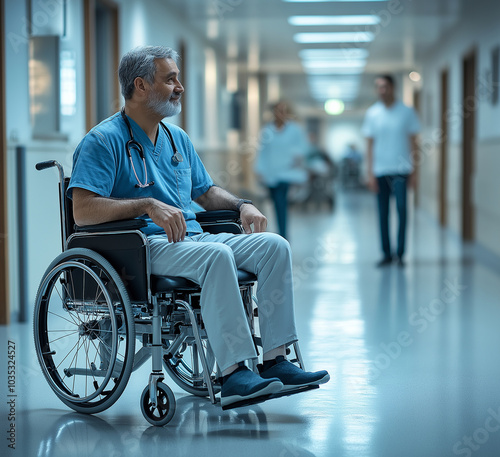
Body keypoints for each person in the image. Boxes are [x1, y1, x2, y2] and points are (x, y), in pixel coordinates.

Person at [67, 46, 329, 410]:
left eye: (178, 78)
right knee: (216, 255)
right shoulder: (102, 141)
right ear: (141, 86)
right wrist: (146, 205)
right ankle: (234, 373)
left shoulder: (177, 139)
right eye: (170, 79)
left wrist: (241, 205)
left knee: (274, 246)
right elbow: (82, 210)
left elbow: (205, 192)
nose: (180, 86)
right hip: (144, 245)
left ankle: (276, 360)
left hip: (193, 238)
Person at [362, 75, 420, 267]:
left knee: (402, 210)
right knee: (382, 213)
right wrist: (369, 173)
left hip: (401, 170)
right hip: (380, 171)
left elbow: (414, 142)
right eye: (378, 87)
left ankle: (401, 253)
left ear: (393, 87)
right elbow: (369, 146)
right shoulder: (372, 113)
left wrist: (415, 172)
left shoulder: (406, 112)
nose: (381, 90)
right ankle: (387, 253)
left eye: (385, 86)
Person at [254, 101, 309, 239]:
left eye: (283, 111)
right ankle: (280, 233)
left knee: (280, 203)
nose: (280, 114)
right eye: (277, 111)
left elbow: (302, 148)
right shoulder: (267, 130)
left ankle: (283, 235)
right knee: (276, 203)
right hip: (270, 174)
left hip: (286, 174)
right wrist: (259, 170)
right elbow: (263, 151)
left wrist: (297, 158)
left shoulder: (295, 130)